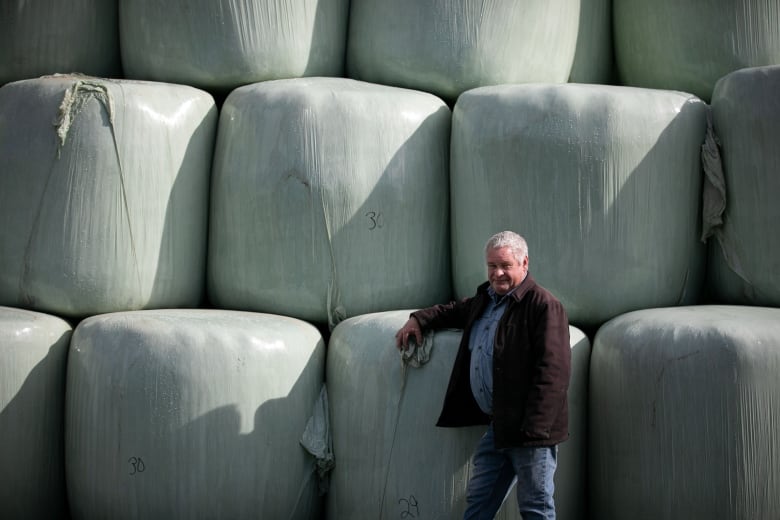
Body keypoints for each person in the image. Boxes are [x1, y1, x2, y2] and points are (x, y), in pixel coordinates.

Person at [395, 230, 570, 520]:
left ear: (524, 264)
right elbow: (449, 311)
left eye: (505, 266)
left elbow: (553, 373)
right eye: (492, 266)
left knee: (536, 508)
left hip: (531, 433)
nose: (497, 273)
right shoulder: (485, 300)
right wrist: (418, 319)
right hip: (499, 426)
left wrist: (534, 433)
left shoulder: (543, 306)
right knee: (478, 505)